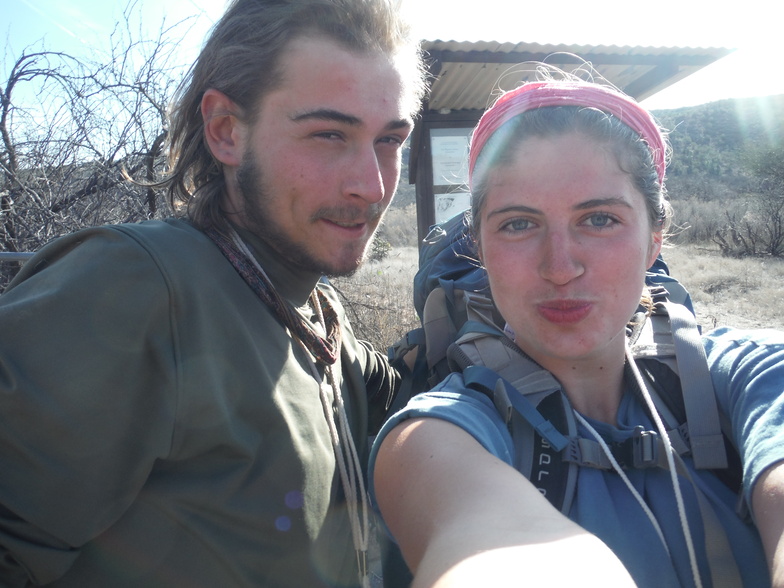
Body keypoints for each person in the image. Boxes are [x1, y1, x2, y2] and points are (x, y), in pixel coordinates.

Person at [0, 0, 426, 586]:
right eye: (329, 134)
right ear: (226, 130)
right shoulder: (140, 287)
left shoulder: (307, 309)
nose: (371, 185)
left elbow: (395, 388)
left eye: (389, 140)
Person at [370, 77, 784, 587]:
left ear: (654, 240)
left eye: (600, 218)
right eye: (519, 224)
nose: (560, 267)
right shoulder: (434, 437)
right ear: (479, 246)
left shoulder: (753, 375)